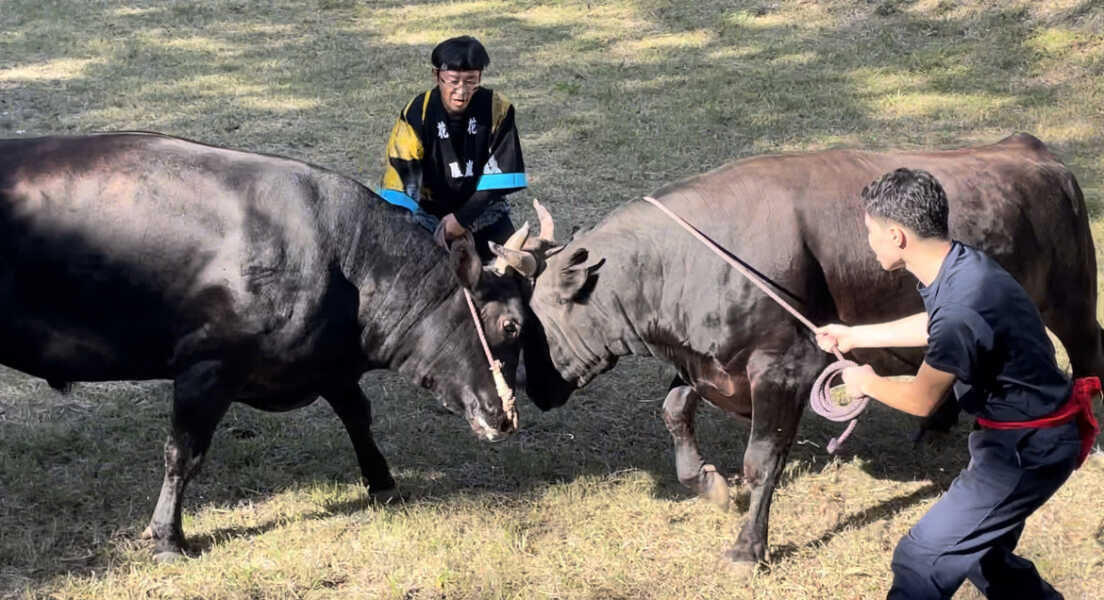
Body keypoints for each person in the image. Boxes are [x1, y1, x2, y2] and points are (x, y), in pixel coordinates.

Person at [815, 168, 1099, 600]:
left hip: (1026, 451)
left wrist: (867, 382)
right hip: (1030, 436)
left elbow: (921, 399)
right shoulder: (961, 265)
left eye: (870, 232)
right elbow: (939, 324)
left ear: (897, 236)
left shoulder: (962, 304)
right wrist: (858, 336)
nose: (868, 242)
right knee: (982, 554)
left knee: (921, 559)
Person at [379, 35, 527, 259]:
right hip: (428, 216)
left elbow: (499, 176)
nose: (462, 91)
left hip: (483, 210)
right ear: (436, 76)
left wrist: (462, 219)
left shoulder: (498, 108)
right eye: (453, 81)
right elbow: (402, 181)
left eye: (470, 81)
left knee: (512, 274)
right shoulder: (417, 113)